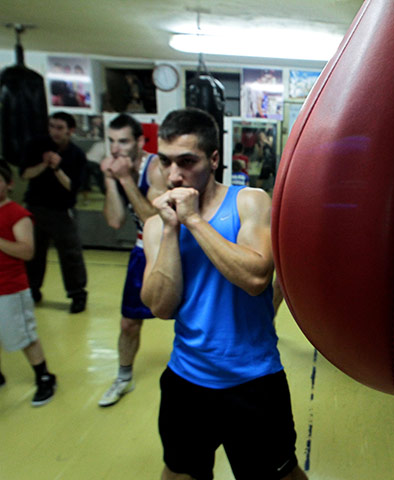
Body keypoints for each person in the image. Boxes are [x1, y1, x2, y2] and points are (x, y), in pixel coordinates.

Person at [141, 108, 307, 480]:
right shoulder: (156, 225)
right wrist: (171, 229)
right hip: (187, 379)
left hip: (253, 381)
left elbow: (255, 278)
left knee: (280, 475)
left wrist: (194, 220)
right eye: (165, 162)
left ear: (214, 159)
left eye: (187, 162)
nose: (174, 176)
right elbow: (161, 307)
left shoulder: (249, 202)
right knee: (180, 472)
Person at [97, 113, 165, 407]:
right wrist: (111, 180)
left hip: (175, 248)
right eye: (111, 141)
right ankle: (124, 377)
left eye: (123, 141)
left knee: (196, 317)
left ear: (139, 141)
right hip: (141, 251)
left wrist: (124, 178)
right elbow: (115, 220)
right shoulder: (118, 168)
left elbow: (154, 220)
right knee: (128, 324)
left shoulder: (156, 168)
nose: (116, 149)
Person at [0, 161, 57, 406]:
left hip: (10, 289)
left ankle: (44, 376)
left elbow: (27, 251)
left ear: (9, 184)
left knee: (24, 335)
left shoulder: (17, 214)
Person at [20, 111, 88, 313]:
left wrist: (57, 168)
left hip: (61, 210)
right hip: (35, 208)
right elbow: (25, 174)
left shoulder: (76, 155)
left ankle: (77, 294)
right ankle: (32, 289)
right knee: (33, 253)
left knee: (70, 254)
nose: (55, 132)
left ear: (70, 130)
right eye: (52, 126)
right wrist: (44, 164)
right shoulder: (36, 145)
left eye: (60, 128)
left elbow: (73, 187)